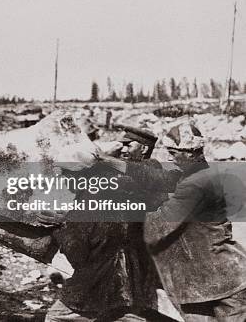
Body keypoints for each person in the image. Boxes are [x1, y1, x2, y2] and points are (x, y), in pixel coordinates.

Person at [46, 127, 177, 322]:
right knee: (126, 311)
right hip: (121, 259)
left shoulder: (145, 171)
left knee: (59, 316)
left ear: (143, 149)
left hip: (113, 264)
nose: (123, 149)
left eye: (128, 145)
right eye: (121, 144)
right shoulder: (122, 173)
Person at [143, 121, 246, 322]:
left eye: (173, 153)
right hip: (209, 282)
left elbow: (156, 228)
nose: (169, 158)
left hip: (225, 283)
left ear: (189, 153)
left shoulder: (195, 185)